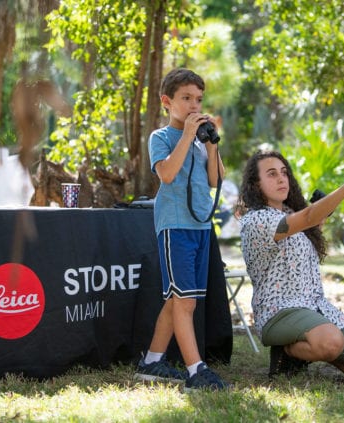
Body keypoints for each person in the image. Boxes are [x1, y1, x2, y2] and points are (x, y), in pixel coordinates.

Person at [238, 150, 344, 385]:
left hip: (317, 308)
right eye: (271, 174)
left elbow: (309, 218)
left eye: (284, 173)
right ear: (255, 184)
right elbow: (310, 216)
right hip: (278, 311)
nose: (282, 179)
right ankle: (287, 352)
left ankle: (323, 348)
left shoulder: (293, 214)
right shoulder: (256, 220)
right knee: (331, 341)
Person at [133, 68, 229, 391]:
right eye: (186, 98)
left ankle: (151, 362)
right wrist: (187, 136)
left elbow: (216, 180)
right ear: (167, 102)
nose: (193, 105)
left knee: (178, 299)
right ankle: (195, 371)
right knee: (184, 301)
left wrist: (212, 144)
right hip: (175, 225)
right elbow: (168, 174)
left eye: (198, 99)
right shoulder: (160, 138)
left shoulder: (201, 141)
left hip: (201, 225)